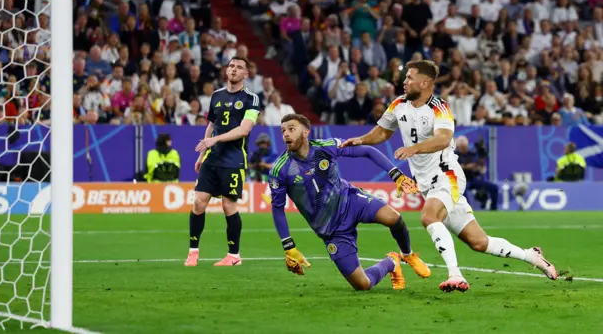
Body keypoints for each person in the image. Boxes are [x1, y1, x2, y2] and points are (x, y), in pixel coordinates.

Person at [340, 60, 558, 292]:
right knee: (478, 242)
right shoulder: (398, 105)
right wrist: (362, 139)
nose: (404, 81)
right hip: (428, 183)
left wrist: (413, 149)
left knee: (428, 217)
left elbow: (443, 138)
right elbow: (383, 131)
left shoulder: (439, 107)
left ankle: (455, 275)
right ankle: (532, 256)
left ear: (424, 83)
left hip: (447, 176)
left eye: (409, 78)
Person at [269, 113, 431, 291]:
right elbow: (277, 208)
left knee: (394, 218)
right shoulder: (280, 169)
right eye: (283, 130)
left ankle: (407, 254)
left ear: (306, 132)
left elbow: (367, 151)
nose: (286, 134)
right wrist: (288, 246)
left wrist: (396, 174)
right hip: (331, 231)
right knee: (363, 285)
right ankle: (391, 262)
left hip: (351, 202)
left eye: (291, 129)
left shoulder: (326, 147)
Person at [186, 57, 260, 267]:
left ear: (246, 74)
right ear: (227, 71)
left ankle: (234, 255)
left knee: (228, 205)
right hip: (213, 157)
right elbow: (211, 125)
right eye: (231, 66)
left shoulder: (251, 99)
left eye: (239, 67)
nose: (234, 69)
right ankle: (193, 251)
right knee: (199, 202)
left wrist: (215, 139)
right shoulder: (217, 95)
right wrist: (202, 154)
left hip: (234, 159)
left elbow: (244, 129)